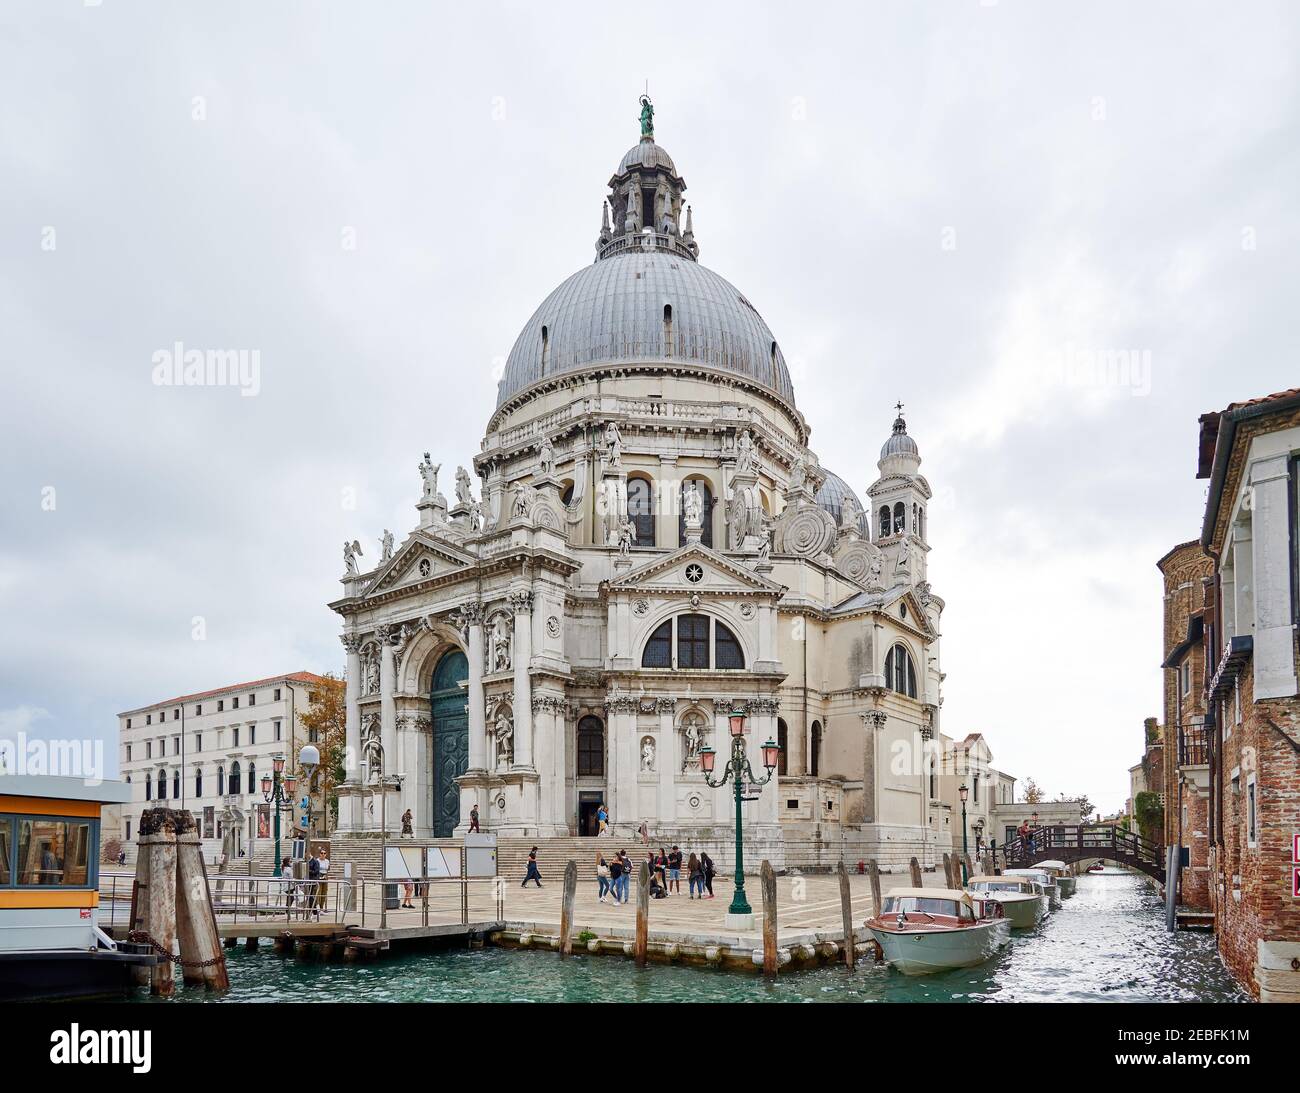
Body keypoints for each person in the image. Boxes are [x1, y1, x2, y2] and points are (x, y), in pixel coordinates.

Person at [315, 847, 331, 914]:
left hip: (325, 876)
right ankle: (318, 906)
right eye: (322, 853)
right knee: (319, 891)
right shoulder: (317, 860)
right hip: (319, 875)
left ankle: (322, 907)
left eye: (324, 853)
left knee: (324, 892)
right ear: (319, 854)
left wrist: (326, 875)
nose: (323, 854)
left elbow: (327, 869)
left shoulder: (327, 861)